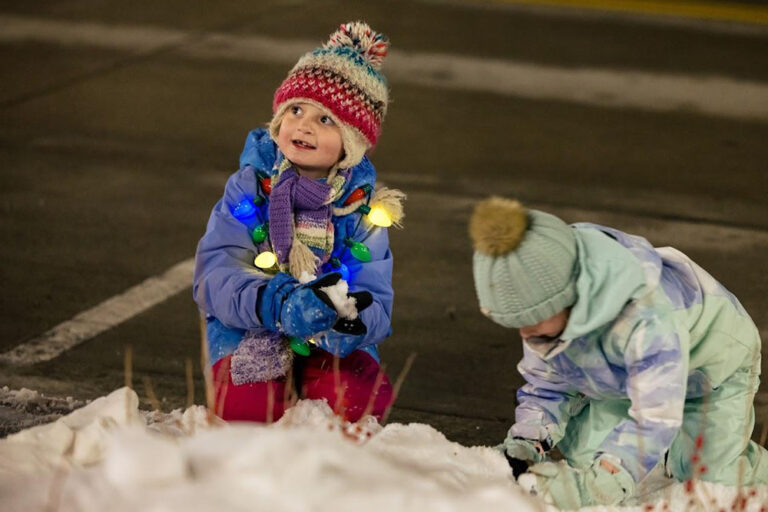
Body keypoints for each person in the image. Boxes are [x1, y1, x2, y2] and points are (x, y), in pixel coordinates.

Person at [469, 196, 768, 508]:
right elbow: (548, 385)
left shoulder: (647, 318)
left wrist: (601, 484)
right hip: (624, 377)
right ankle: (664, 450)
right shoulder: (544, 322)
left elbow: (655, 414)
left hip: (709, 374)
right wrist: (527, 442)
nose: (524, 332)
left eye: (532, 319)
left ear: (566, 298)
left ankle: (730, 463)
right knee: (587, 454)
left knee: (709, 477)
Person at [193, 21, 404, 424]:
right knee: (247, 409)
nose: (304, 125)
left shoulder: (362, 208)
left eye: (326, 120)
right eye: (295, 110)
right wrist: (282, 304)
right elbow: (215, 275)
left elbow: (377, 299)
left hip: (329, 342)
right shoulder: (250, 188)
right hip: (251, 327)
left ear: (351, 143)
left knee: (357, 404)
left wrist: (348, 319)